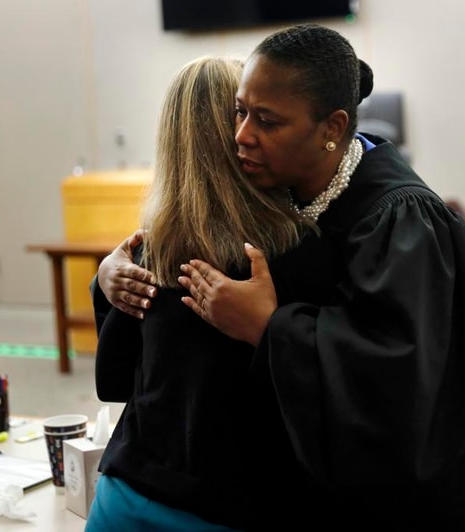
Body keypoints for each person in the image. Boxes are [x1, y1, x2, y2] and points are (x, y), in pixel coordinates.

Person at [97, 23, 465, 531]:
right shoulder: (290, 197)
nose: (241, 136)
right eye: (239, 112)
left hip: (449, 483)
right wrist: (113, 273)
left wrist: (270, 326)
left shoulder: (400, 222)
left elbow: (400, 382)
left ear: (331, 129)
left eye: (267, 121)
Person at [85, 55, 305, 531]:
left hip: (124, 498)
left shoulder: (147, 252)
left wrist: (104, 280)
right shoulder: (288, 250)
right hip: (229, 506)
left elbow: (115, 379)